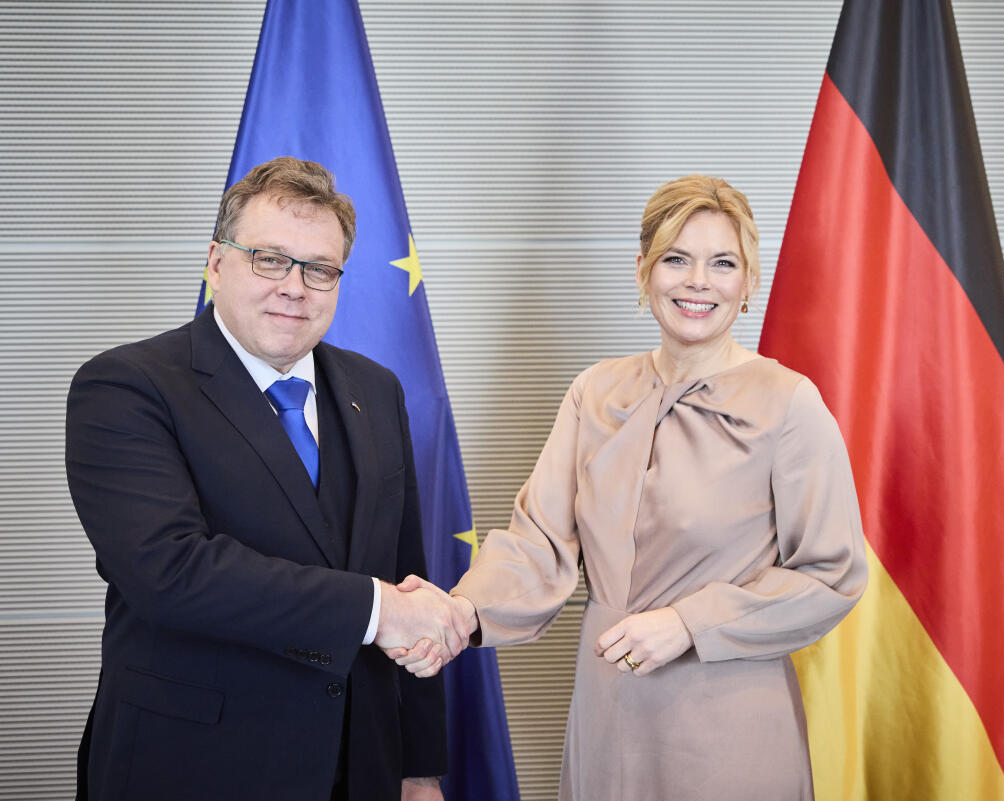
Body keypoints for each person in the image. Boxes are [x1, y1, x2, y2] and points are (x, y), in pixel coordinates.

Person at [392, 175, 869, 799]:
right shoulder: (595, 392)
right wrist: (463, 610)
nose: (698, 281)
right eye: (676, 259)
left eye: (722, 263)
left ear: (749, 281)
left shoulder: (790, 404)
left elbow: (831, 575)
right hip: (606, 709)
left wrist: (690, 623)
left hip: (729, 718)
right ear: (643, 270)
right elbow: (539, 545)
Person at [65, 156, 468, 801]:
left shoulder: (375, 389)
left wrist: (418, 768)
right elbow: (169, 572)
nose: (295, 287)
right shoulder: (126, 387)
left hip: (361, 762)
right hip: (197, 766)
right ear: (216, 262)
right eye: (270, 259)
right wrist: (379, 610)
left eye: (319, 268)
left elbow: (407, 573)